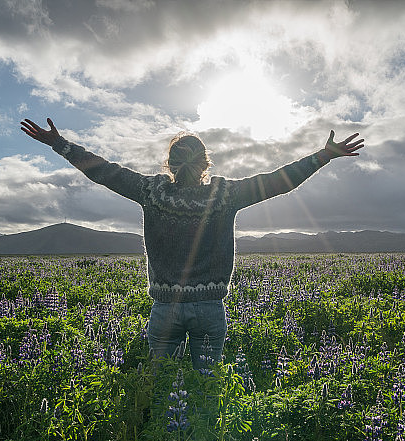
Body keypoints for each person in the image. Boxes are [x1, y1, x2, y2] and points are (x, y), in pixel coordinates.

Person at [21, 118, 363, 371]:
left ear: (170, 165)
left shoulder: (151, 192)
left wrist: (59, 143)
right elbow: (278, 182)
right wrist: (323, 156)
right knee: (205, 388)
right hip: (210, 307)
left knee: (161, 385)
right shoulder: (225, 195)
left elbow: (103, 171)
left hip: (165, 307)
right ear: (205, 164)